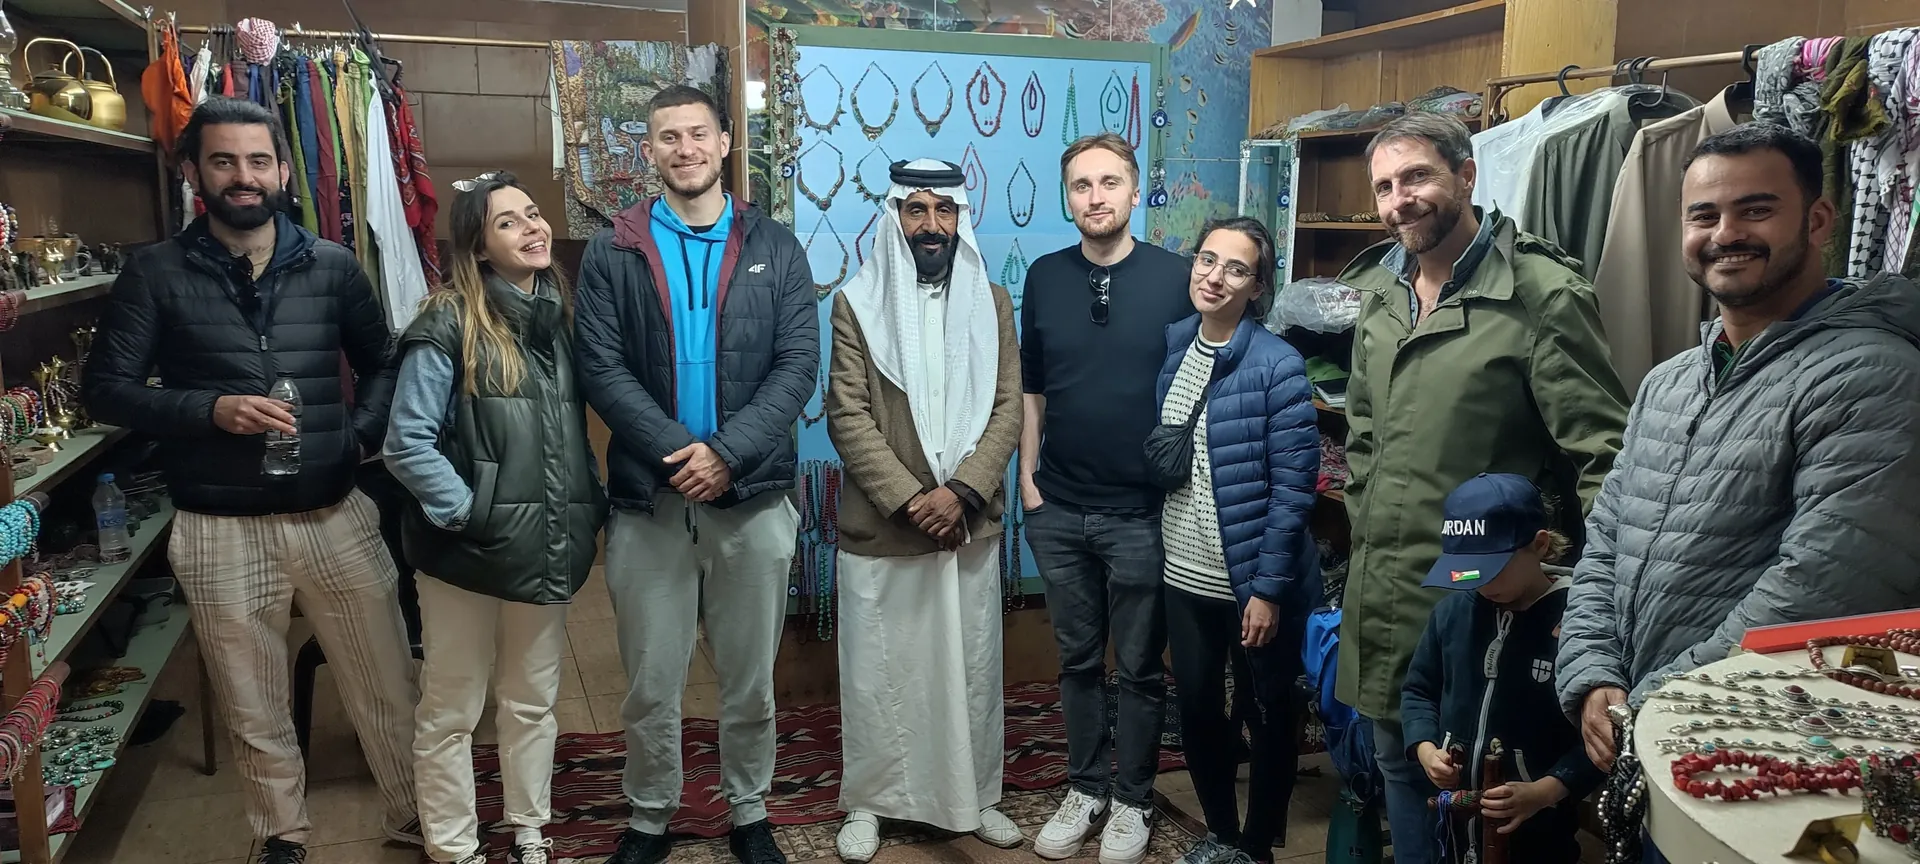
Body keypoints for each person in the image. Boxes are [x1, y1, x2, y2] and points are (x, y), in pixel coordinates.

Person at [80, 97, 420, 864]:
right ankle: (281, 837)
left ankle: (416, 814)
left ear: (284, 170)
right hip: (218, 526)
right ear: (193, 170)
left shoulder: (332, 264)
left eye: (258, 161)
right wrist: (210, 410)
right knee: (250, 697)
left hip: (334, 512)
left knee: (387, 681)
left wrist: (356, 439)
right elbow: (106, 389)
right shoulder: (155, 272)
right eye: (224, 161)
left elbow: (386, 364)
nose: (243, 176)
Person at [1557, 123, 1920, 806]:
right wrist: (1593, 673)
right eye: (1705, 214)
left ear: (1817, 220)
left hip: (1772, 762)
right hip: (1660, 742)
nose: (1726, 233)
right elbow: (1605, 543)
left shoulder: (1873, 374)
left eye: (1756, 209)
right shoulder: (1669, 382)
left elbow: (1825, 587)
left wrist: (1653, 704)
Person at [1333, 111, 1628, 864]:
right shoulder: (1379, 292)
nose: (1401, 199)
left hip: (1484, 601)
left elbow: (1602, 460)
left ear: (1466, 175)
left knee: (1492, 801)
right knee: (1402, 767)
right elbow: (1362, 438)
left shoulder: (1539, 292)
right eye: (1386, 187)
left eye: (1418, 177)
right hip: (1382, 588)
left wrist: (1603, 607)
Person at [575, 85, 817, 864]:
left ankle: (750, 811)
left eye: (697, 135)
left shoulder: (776, 247)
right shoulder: (614, 249)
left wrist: (729, 454)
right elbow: (601, 369)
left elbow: (797, 366)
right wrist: (685, 454)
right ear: (648, 152)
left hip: (751, 497)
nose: (684, 149)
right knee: (652, 680)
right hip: (651, 499)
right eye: (667, 138)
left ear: (723, 144)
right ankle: (650, 816)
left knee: (750, 680)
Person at [383, 171, 608, 864]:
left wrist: (586, 507)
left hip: (543, 548)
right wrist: (468, 513)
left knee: (532, 700)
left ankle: (530, 829)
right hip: (467, 554)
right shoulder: (448, 320)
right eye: (509, 221)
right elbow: (406, 442)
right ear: (479, 247)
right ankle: (453, 846)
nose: (533, 227)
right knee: (452, 707)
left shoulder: (558, 325)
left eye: (534, 214)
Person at [824, 159, 1025, 861]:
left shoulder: (992, 301)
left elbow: (1007, 407)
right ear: (895, 217)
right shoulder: (856, 303)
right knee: (881, 671)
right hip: (886, 526)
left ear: (960, 220)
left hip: (966, 524)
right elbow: (845, 415)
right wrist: (914, 499)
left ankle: (978, 796)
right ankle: (871, 804)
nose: (930, 225)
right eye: (916, 210)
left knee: (970, 666)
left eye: (944, 211)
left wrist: (963, 491)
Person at [1019, 131, 1195, 864]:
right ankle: (1086, 787)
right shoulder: (1045, 275)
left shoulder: (1178, 277)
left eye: (1109, 183)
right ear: (1068, 196)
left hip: (1140, 513)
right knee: (1078, 661)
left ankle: (1131, 801)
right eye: (1081, 186)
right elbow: (1032, 388)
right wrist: (1028, 482)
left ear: (1133, 190)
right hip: (1057, 506)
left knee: (1143, 668)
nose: (1095, 197)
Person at [1154, 217, 1319, 864]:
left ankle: (1258, 844)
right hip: (1183, 573)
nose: (1213, 276)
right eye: (1206, 259)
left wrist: (1269, 591)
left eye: (1235, 268)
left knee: (1268, 712)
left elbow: (1293, 492)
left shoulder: (1278, 366)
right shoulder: (1174, 348)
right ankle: (1220, 831)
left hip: (1250, 581)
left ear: (1258, 287)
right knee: (1196, 708)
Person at [1401, 474, 1602, 864]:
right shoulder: (1451, 614)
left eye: (1493, 567)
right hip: (1456, 831)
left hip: (1540, 832)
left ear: (1540, 544)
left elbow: (1598, 736)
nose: (1480, 581)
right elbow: (1418, 690)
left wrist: (1546, 790)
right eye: (1468, 569)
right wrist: (1425, 748)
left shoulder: (1578, 624)